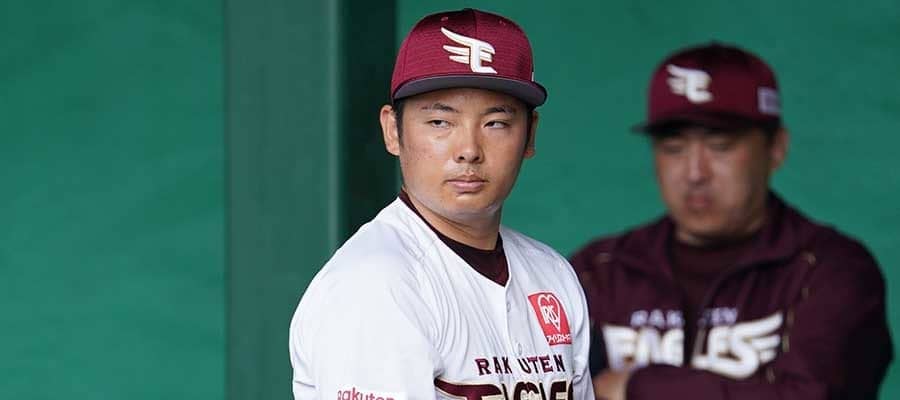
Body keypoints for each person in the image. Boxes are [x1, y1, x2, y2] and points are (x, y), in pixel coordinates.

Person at [289, 8, 593, 400]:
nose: (468, 149)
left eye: (496, 123)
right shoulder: (376, 284)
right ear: (393, 130)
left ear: (529, 135)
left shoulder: (552, 274)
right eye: (440, 122)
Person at [570, 43, 892, 400]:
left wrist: (639, 387)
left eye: (720, 145)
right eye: (673, 148)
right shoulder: (597, 271)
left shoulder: (831, 269)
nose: (695, 173)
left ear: (776, 148)